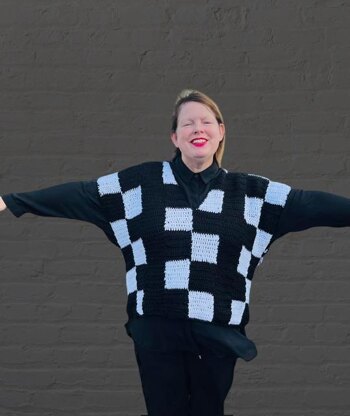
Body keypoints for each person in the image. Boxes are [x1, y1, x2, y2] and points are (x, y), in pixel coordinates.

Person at [1, 89, 349, 416]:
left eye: (206, 121)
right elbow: (81, 195)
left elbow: (310, 204)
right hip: (157, 332)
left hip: (218, 335)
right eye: (188, 123)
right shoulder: (139, 185)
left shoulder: (252, 194)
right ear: (175, 137)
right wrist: (12, 201)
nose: (198, 128)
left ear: (221, 132)